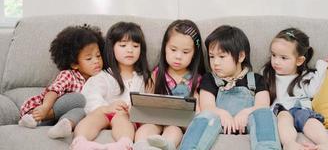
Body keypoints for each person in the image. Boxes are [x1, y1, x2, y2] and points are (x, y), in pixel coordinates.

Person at [180, 25, 281, 150]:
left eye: (222, 57)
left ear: (240, 56)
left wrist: (245, 112)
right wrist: (222, 113)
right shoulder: (210, 79)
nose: (215, 62)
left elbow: (262, 105)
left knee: (264, 114)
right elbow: (208, 107)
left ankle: (267, 148)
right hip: (217, 124)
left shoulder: (256, 79)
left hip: (247, 123)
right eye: (212, 56)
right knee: (204, 115)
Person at [70, 21, 152, 150]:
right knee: (94, 117)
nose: (130, 50)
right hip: (103, 112)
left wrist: (133, 109)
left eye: (135, 46)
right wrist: (107, 108)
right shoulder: (103, 76)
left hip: (126, 117)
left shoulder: (144, 78)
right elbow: (91, 97)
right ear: (111, 47)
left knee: (121, 118)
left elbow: (150, 102)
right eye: (123, 45)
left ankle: (123, 144)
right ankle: (80, 142)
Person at [18, 24, 105, 139]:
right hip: (42, 110)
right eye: (89, 58)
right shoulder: (69, 75)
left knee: (81, 112)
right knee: (79, 98)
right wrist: (45, 107)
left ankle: (65, 125)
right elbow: (54, 90)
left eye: (98, 56)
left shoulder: (100, 79)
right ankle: (33, 119)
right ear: (74, 64)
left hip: (56, 121)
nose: (96, 61)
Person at [134, 19, 205, 150]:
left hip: (179, 124)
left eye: (185, 52)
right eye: (173, 49)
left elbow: (199, 109)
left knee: (174, 131)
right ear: (165, 48)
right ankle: (141, 147)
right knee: (145, 129)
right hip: (155, 119)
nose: (178, 56)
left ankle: (166, 146)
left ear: (194, 54)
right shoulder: (156, 74)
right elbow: (147, 100)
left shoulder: (196, 79)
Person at [262, 28, 328, 150]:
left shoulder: (306, 76)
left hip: (301, 109)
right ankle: (289, 143)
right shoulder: (268, 74)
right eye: (273, 55)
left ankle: (326, 144)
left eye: (283, 58)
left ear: (299, 60)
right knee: (284, 116)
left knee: (310, 120)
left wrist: (322, 65)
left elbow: (313, 91)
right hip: (281, 111)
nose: (276, 61)